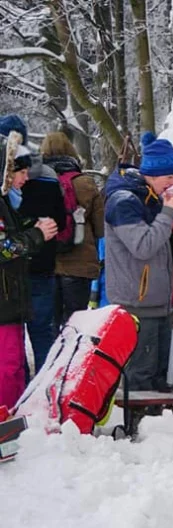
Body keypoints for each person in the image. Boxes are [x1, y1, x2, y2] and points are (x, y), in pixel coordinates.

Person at [104, 132, 173, 391]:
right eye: (170, 177)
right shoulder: (124, 201)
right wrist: (169, 213)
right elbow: (143, 246)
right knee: (141, 374)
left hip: (157, 303)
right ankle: (138, 426)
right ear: (152, 173)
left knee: (161, 374)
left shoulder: (148, 197)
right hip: (136, 304)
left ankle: (160, 423)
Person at [5, 117, 68, 373]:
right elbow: (62, 222)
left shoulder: (10, 180)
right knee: (42, 333)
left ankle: (18, 391)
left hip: (11, 274)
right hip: (41, 265)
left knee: (12, 338)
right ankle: (43, 387)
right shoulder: (49, 176)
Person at [0, 129, 57, 407]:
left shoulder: (7, 204)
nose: (25, 178)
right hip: (4, 302)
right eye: (19, 172)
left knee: (16, 365)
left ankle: (16, 418)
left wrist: (31, 228)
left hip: (12, 299)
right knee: (8, 368)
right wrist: (37, 236)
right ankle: (6, 422)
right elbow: (3, 248)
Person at [41, 131, 105, 328]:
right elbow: (101, 228)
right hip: (79, 265)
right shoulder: (85, 182)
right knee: (75, 324)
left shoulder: (35, 182)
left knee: (49, 324)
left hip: (46, 264)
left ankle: (50, 359)